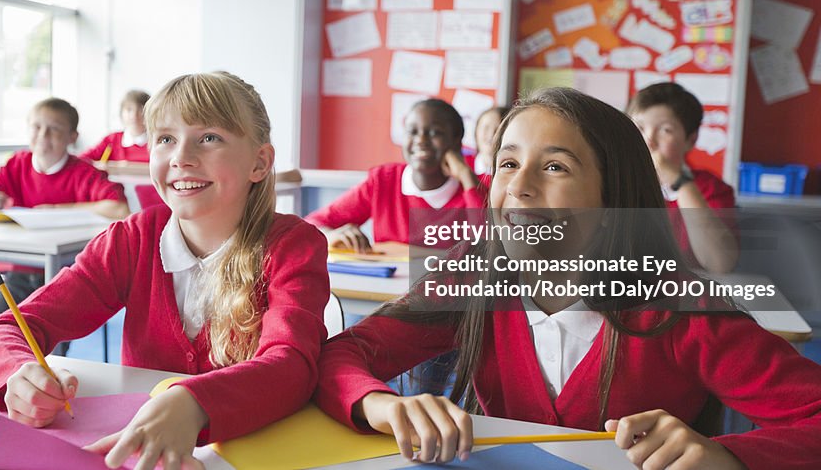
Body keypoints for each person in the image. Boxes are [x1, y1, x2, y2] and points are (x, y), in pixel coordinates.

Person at [315, 87, 821, 469]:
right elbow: (340, 354)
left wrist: (727, 456)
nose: (519, 186)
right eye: (507, 162)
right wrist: (377, 405)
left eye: (554, 167)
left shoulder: (681, 308)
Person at [0, 72, 330, 469]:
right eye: (164, 139)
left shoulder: (293, 245)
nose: (181, 157)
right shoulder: (132, 240)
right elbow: (6, 328)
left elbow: (293, 364)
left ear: (259, 163)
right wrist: (16, 376)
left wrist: (194, 404)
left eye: (209, 137)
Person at [0, 97, 129, 350]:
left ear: (72, 137)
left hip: (68, 277)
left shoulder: (84, 171)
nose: (43, 135)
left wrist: (57, 210)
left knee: (46, 346)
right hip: (22, 271)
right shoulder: (17, 164)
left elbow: (118, 208)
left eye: (54, 129)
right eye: (37, 127)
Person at [305, 98, 485, 253]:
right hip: (385, 292)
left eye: (435, 132)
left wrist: (466, 177)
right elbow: (311, 225)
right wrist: (330, 235)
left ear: (456, 138)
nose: (421, 140)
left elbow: (491, 243)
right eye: (412, 132)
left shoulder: (478, 186)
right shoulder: (384, 181)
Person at [628, 82, 738, 272]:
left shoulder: (712, 189)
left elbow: (721, 264)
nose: (648, 141)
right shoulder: (616, 181)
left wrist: (679, 181)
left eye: (665, 130)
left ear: (691, 140)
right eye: (638, 128)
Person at [471, 105, 509, 181]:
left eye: (498, 129)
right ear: (476, 132)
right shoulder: (462, 165)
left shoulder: (512, 174)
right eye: (486, 128)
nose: (491, 134)